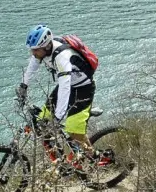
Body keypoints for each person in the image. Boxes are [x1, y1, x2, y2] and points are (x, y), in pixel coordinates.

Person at [15, 25, 96, 153]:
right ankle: (59, 160)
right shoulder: (43, 52)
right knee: (41, 122)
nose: (33, 53)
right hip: (69, 86)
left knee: (73, 130)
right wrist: (23, 87)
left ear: (46, 46)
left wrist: (58, 117)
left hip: (83, 89)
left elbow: (64, 88)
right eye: (32, 50)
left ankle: (92, 156)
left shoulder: (62, 57)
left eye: (35, 50)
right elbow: (32, 66)